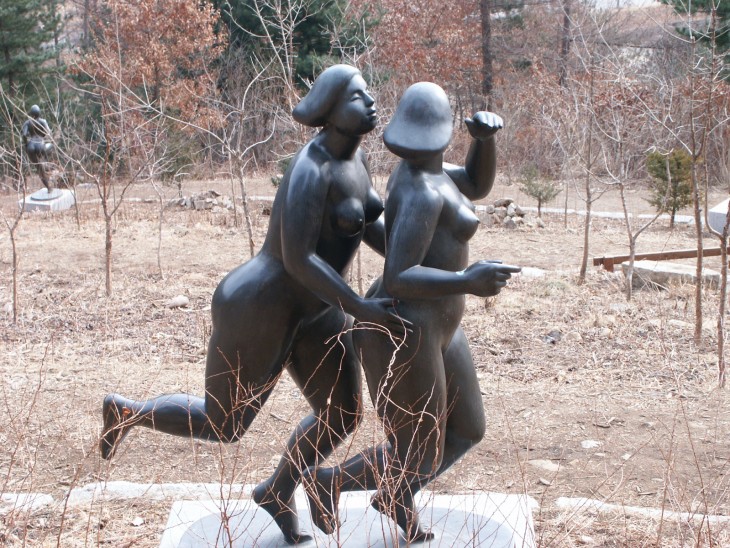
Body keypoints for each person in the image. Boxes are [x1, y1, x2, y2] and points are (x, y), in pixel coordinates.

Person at [99, 64, 408, 544]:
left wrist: (412, 268)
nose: (370, 102)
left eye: (367, 92)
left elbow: (368, 226)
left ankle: (277, 491)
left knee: (343, 414)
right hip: (262, 306)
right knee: (224, 424)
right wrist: (360, 307)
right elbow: (299, 259)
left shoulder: (358, 161)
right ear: (329, 110)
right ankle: (127, 413)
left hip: (318, 310)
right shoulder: (310, 169)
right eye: (356, 96)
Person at [303, 82, 521, 542]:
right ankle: (328, 482)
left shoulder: (434, 173)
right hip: (404, 325)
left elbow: (476, 184)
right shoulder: (420, 188)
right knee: (419, 450)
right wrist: (468, 280)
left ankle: (396, 494)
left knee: (467, 429)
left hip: (441, 323)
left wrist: (484, 143)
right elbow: (400, 275)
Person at [21, 105, 53, 190]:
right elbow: (48, 133)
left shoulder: (27, 122)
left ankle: (48, 186)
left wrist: (26, 144)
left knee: (38, 167)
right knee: (51, 145)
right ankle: (46, 161)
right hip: (40, 144)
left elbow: (24, 135)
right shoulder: (43, 121)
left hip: (31, 145)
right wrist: (44, 136)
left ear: (31, 113)